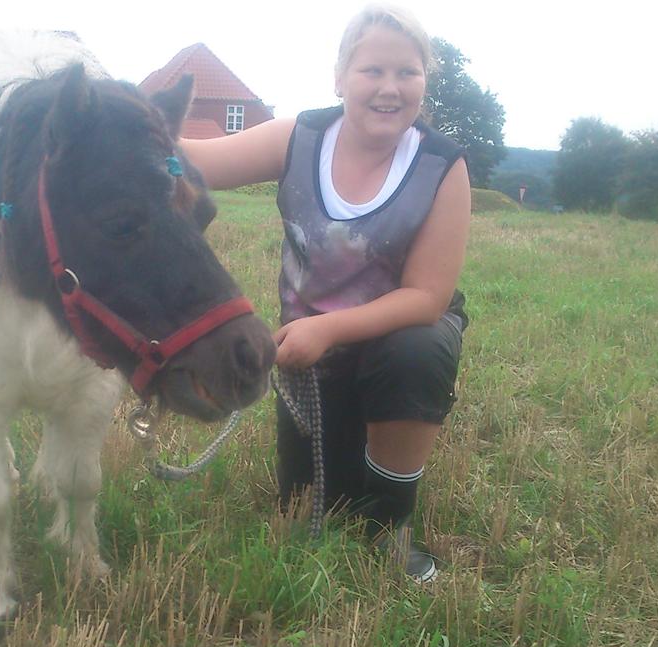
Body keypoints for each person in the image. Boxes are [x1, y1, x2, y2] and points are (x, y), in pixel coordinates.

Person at [179, 4, 470, 581]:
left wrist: (327, 327)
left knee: (418, 350)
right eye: (372, 71)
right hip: (311, 363)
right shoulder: (300, 137)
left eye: (407, 72)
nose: (389, 87)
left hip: (392, 341)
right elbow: (197, 163)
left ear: (424, 81)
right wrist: (120, 119)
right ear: (340, 78)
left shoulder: (442, 166)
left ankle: (391, 526)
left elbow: (427, 296)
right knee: (312, 507)